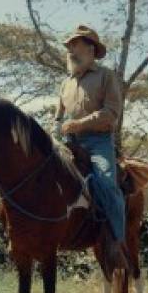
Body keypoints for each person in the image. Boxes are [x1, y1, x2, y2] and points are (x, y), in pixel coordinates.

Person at [53, 24, 126, 275]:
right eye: (69, 47)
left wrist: (79, 124)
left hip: (98, 142)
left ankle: (117, 243)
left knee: (107, 182)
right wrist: (55, 133)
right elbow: (58, 118)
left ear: (90, 48)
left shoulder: (106, 76)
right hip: (69, 144)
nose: (71, 51)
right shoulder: (65, 84)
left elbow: (111, 113)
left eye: (76, 45)